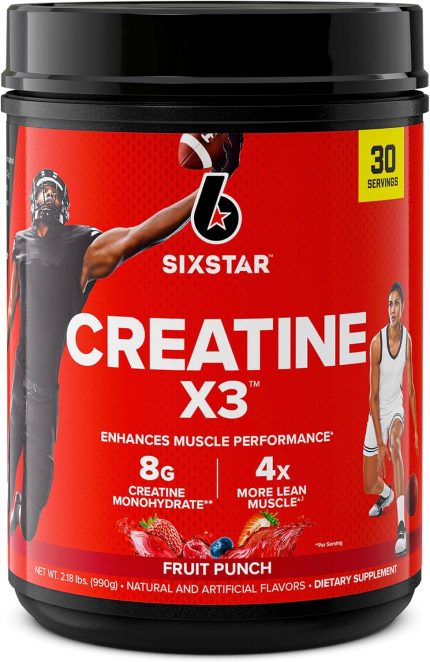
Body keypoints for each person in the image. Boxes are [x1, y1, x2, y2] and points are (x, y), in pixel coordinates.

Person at [8, 135, 243, 541]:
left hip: (44, 388)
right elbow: (10, 303)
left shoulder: (81, 247)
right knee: (8, 457)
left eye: (54, 190)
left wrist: (215, 182)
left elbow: (142, 234)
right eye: (42, 189)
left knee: (35, 504)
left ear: (64, 203)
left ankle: (23, 518)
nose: (47, 195)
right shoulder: (20, 242)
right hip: (16, 382)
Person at [363, 282, 419, 556]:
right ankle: (385, 494)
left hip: (396, 407)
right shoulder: (377, 343)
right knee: (369, 483)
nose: (392, 309)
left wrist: (416, 432)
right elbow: (372, 397)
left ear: (403, 306)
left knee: (396, 445)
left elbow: (410, 387)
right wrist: (379, 442)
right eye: (389, 304)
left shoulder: (407, 339)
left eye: (397, 303)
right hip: (377, 412)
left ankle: (400, 528)